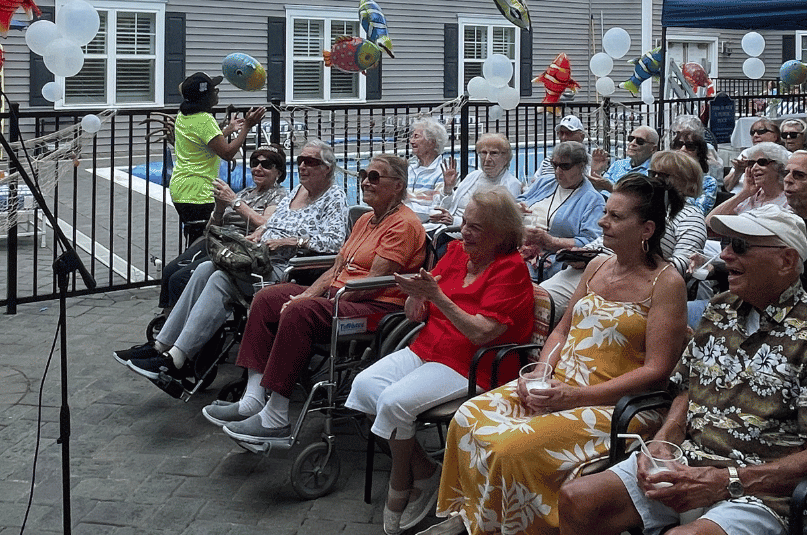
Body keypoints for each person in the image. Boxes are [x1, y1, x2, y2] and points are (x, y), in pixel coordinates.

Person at [435, 174, 688, 535]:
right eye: (605, 212)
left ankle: (518, 527)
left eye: (616, 217)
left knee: (511, 448)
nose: (602, 221)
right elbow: (563, 330)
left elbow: (657, 370)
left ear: (646, 229)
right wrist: (541, 373)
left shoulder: (666, 283)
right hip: (560, 385)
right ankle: (477, 516)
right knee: (467, 417)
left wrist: (575, 397)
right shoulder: (598, 266)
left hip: (615, 404)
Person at [559, 204, 807, 535]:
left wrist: (726, 480)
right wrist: (663, 441)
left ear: (786, 260)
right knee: (578, 499)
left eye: (740, 246)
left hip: (763, 489)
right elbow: (687, 387)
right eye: (726, 243)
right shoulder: (720, 309)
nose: (725, 255)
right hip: (688, 462)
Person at [203, 154, 427, 444]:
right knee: (268, 298)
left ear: (397, 185)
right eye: (363, 175)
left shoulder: (403, 225)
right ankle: (252, 400)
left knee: (301, 312)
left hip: (375, 309)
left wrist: (314, 302)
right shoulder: (365, 220)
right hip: (343, 297)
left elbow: (370, 284)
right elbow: (337, 268)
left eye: (374, 177)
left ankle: (275, 418)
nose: (365, 182)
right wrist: (306, 294)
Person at [346, 191, 534, 535]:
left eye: (476, 227)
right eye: (464, 222)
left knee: (393, 401)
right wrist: (416, 297)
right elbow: (419, 309)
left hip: (474, 363)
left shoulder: (511, 269)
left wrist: (437, 297)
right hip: (429, 347)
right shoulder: (456, 253)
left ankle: (400, 481)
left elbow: (481, 332)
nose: (464, 231)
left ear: (500, 233)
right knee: (365, 387)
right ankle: (426, 471)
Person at [115, 140, 347, 381]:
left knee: (220, 279)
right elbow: (272, 224)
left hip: (288, 268)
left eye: (310, 162)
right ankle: (161, 345)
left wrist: (290, 241)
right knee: (205, 268)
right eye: (300, 160)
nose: (302, 166)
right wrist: (258, 234)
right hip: (259, 258)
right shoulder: (298, 191)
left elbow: (335, 242)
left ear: (327, 168)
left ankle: (178, 358)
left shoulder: (334, 197)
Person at [542, 151, 708, 317]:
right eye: (653, 173)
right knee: (539, 298)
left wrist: (637, 269)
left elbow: (685, 263)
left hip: (636, 281)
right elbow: (604, 239)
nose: (656, 179)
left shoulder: (690, 216)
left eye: (664, 176)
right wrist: (583, 254)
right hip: (593, 267)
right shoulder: (639, 206)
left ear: (687, 182)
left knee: (544, 305)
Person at [153, 144, 288, 311]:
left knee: (180, 278)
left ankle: (178, 319)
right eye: (255, 163)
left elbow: (264, 223)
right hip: (216, 241)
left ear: (278, 172)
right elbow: (210, 229)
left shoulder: (279, 195)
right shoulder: (246, 193)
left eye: (266, 165)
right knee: (169, 271)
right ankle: (166, 316)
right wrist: (219, 208)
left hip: (237, 248)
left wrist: (234, 202)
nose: (258, 168)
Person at [168, 72, 265, 243]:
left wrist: (228, 130)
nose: (217, 93)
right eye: (214, 90)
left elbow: (206, 141)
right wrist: (247, 127)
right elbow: (227, 153)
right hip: (198, 192)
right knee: (204, 243)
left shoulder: (184, 116)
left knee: (194, 238)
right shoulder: (205, 120)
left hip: (181, 188)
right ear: (205, 96)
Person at [517, 140, 604, 279]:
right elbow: (519, 200)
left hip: (550, 260)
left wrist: (551, 241)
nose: (558, 171)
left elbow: (590, 242)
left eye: (565, 166)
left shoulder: (593, 200)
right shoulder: (544, 182)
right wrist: (517, 209)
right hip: (520, 245)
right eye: (555, 165)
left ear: (581, 166)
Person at [706, 141, 789, 228]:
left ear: (779, 166)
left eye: (762, 162)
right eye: (751, 164)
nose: (754, 168)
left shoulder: (788, 200)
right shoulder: (750, 196)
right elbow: (709, 221)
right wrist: (745, 193)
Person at [443, 134, 521, 221]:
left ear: (506, 158)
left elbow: (500, 222)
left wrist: (454, 221)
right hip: (447, 224)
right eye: (483, 153)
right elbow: (447, 207)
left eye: (494, 153)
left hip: (463, 227)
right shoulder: (473, 176)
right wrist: (448, 190)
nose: (487, 159)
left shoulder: (511, 184)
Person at [406, 119, 454, 220]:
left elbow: (438, 209)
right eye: (412, 137)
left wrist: (447, 190)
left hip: (425, 224)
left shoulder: (442, 172)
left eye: (416, 137)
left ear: (432, 142)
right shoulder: (410, 169)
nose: (411, 141)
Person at [588, 125, 658, 192]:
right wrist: (596, 171)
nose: (632, 143)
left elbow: (639, 198)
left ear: (653, 148)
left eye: (640, 141)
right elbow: (597, 189)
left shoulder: (654, 171)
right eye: (631, 139)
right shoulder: (618, 164)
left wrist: (611, 188)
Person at [667, 127, 720, 213]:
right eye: (679, 145)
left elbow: (699, 211)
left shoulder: (708, 182)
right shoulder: (665, 175)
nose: (682, 149)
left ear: (699, 153)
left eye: (690, 146)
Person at [725, 118, 781, 191]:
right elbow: (727, 187)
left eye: (761, 131)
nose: (755, 135)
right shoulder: (745, 153)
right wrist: (738, 172)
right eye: (752, 132)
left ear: (775, 136)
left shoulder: (784, 155)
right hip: (736, 195)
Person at [531, 115, 586, 182]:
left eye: (569, 133)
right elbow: (534, 183)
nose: (564, 137)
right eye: (561, 133)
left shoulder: (590, 163)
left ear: (582, 136)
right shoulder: (547, 161)